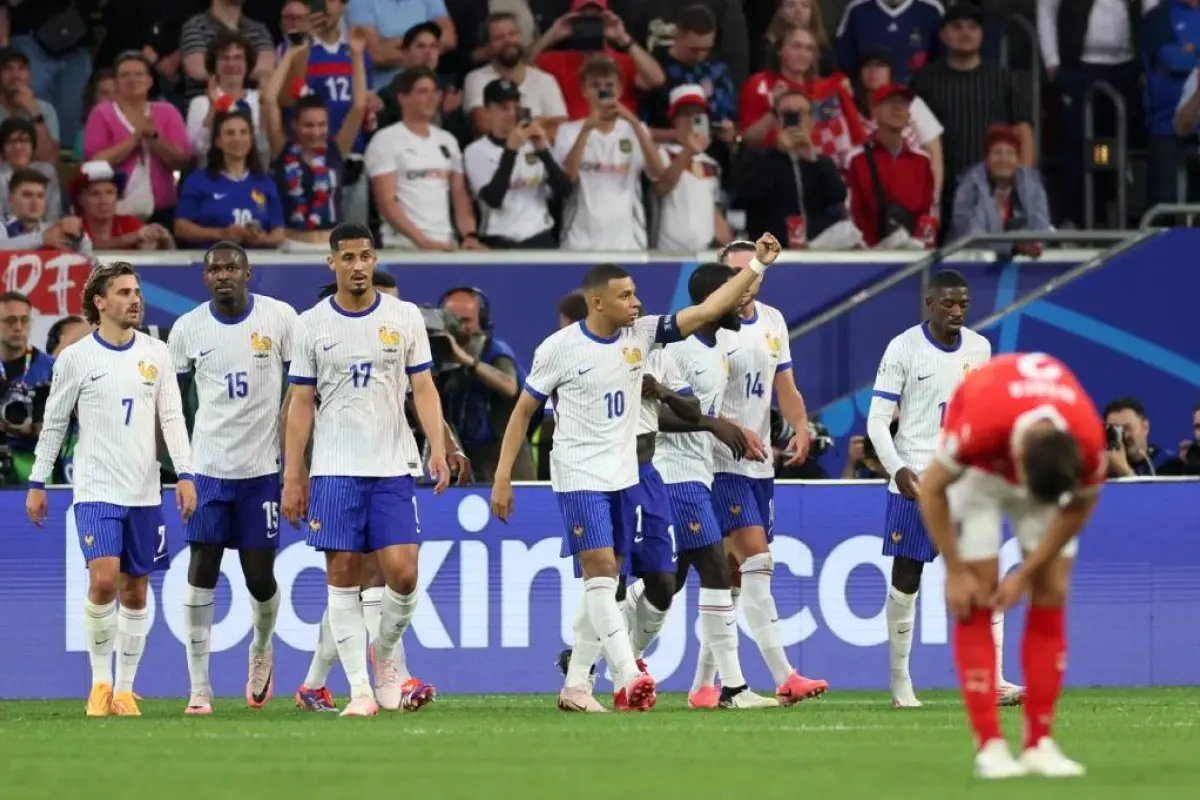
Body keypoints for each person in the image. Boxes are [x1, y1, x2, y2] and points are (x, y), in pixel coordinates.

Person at [489, 233, 786, 712]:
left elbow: (708, 310)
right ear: (597, 301)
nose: (636, 302)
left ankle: (577, 686)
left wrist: (758, 269)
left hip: (630, 474)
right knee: (603, 570)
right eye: (626, 295)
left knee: (620, 583)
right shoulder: (558, 349)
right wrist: (504, 476)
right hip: (580, 474)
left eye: (635, 294)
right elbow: (523, 411)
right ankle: (628, 672)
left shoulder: (642, 335)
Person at [282, 222, 451, 717]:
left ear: (374, 260)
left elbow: (423, 387)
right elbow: (300, 403)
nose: (358, 266)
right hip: (335, 469)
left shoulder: (404, 317)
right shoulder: (311, 323)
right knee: (343, 576)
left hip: (393, 464)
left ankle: (385, 658)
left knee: (403, 574)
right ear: (331, 263)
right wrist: (295, 473)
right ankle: (360, 690)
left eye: (366, 256)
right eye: (348, 257)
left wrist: (436, 446)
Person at [917, 352, 1107, 778]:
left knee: (1053, 589)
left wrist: (1029, 571)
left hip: (1040, 466)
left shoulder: (1088, 440)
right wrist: (955, 571)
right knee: (977, 596)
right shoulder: (980, 428)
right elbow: (931, 491)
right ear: (1016, 457)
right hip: (981, 477)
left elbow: (1078, 506)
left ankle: (1040, 743)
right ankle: (990, 746)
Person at [25, 261, 197, 717]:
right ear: (100, 302)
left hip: (143, 490)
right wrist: (37, 481)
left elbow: (172, 418)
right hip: (96, 488)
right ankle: (100, 684)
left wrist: (185, 472)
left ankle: (125, 689)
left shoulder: (156, 353)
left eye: (137, 291)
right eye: (123, 292)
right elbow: (56, 423)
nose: (134, 299)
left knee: (136, 591)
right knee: (103, 580)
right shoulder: (76, 358)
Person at [866, 269, 1023, 709]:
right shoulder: (903, 348)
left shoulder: (980, 347)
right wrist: (896, 469)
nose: (957, 311)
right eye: (949, 304)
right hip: (916, 478)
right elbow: (877, 420)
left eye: (963, 304)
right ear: (930, 304)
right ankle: (900, 684)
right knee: (906, 581)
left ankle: (993, 679)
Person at [168, 242, 298, 715]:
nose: (223, 274)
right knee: (201, 573)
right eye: (214, 269)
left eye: (232, 267)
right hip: (208, 472)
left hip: (260, 472)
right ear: (205, 279)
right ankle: (199, 687)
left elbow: (305, 383)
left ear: (249, 273)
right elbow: (170, 402)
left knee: (259, 579)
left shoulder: (280, 319)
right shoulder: (187, 328)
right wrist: (181, 465)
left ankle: (261, 645)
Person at [554, 314, 706, 711]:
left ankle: (595, 672)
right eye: (626, 297)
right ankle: (618, 674)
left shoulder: (657, 354)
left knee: (661, 581)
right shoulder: (580, 356)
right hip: (600, 474)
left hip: (648, 475)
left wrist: (663, 392)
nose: (635, 305)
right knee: (608, 581)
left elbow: (691, 409)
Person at [709, 240, 829, 705]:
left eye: (751, 271)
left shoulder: (773, 320)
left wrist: (800, 426)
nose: (745, 280)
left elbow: (786, 385)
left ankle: (706, 685)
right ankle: (785, 674)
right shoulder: (708, 324)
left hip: (759, 466)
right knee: (757, 563)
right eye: (734, 272)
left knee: (728, 577)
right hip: (718, 463)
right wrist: (729, 429)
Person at [656, 263, 777, 710]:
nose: (744, 302)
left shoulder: (716, 347)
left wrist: (720, 426)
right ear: (713, 300)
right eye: (736, 295)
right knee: (712, 571)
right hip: (674, 475)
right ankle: (733, 688)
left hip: (697, 473)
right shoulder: (680, 348)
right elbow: (658, 412)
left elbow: (697, 409)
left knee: (665, 585)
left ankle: (596, 658)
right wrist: (712, 426)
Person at [174, 109, 285, 249]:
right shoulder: (198, 180)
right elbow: (181, 228)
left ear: (251, 139)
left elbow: (279, 231)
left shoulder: (265, 182)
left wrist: (262, 239)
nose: (237, 139)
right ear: (218, 141)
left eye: (243, 132)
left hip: (258, 263)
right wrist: (221, 234)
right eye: (230, 133)